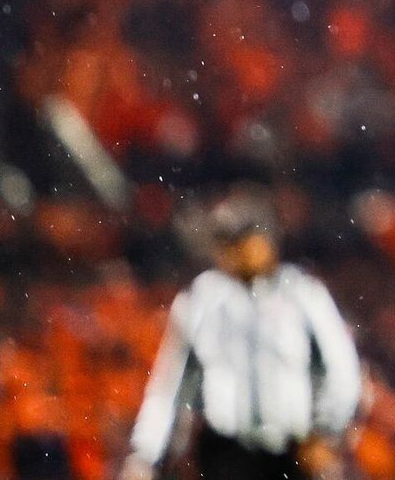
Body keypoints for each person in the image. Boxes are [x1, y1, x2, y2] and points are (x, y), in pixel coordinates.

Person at [124, 192, 360, 480]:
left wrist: (327, 431)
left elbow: (341, 370)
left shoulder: (303, 295)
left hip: (292, 448)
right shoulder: (202, 299)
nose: (234, 252)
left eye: (241, 241)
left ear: (266, 240)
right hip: (226, 451)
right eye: (226, 243)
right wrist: (147, 454)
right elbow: (170, 386)